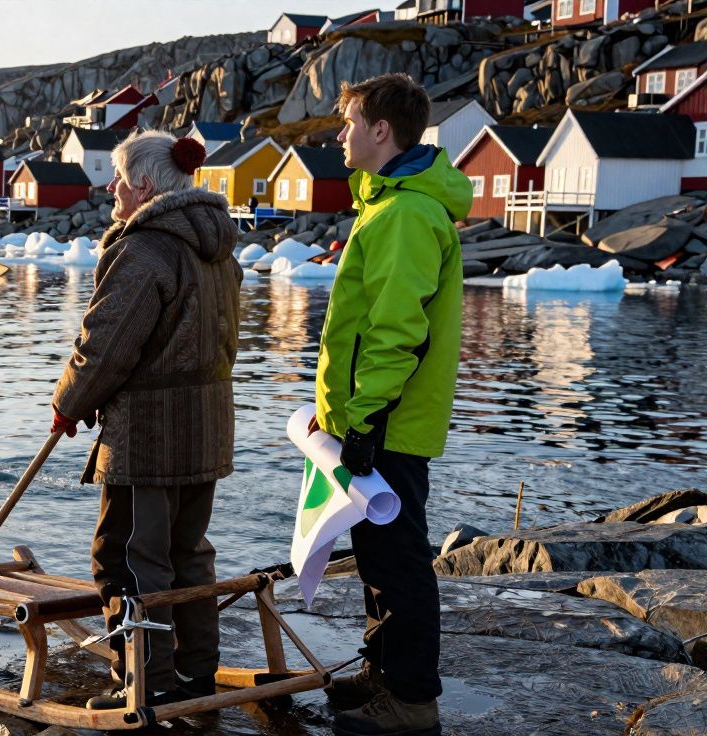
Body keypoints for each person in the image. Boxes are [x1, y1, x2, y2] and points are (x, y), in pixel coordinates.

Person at [50, 130, 242, 710]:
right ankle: (196, 674)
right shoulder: (220, 250)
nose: (110, 188)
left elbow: (105, 345)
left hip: (149, 440)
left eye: (118, 178)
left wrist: (69, 402)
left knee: (129, 560)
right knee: (188, 554)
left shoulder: (145, 250)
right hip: (206, 433)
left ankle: (143, 682)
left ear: (146, 185)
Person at [316, 73, 469, 736]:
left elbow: (397, 329)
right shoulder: (387, 206)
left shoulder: (406, 213)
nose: (340, 134)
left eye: (350, 122)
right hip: (380, 420)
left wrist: (367, 418)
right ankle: (383, 674)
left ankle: (409, 699)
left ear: (382, 131)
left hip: (391, 426)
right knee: (378, 556)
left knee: (398, 559)